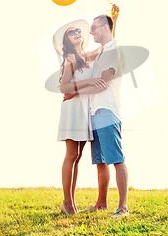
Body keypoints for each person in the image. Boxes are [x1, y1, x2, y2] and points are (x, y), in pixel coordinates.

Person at [56, 21, 107, 215]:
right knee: (71, 155)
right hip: (73, 110)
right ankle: (67, 202)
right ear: (67, 40)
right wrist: (89, 81)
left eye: (78, 31)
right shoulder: (70, 57)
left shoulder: (87, 56)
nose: (76, 33)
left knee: (77, 156)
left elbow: (106, 45)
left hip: (85, 108)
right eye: (71, 32)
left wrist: (113, 20)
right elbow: (64, 87)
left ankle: (70, 202)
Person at [87, 14, 129, 218]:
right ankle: (101, 203)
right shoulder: (103, 50)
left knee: (116, 158)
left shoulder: (113, 51)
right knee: (100, 160)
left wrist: (74, 89)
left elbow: (104, 81)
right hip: (95, 112)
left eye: (94, 28)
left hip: (107, 111)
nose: (90, 32)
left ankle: (123, 207)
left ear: (104, 28)